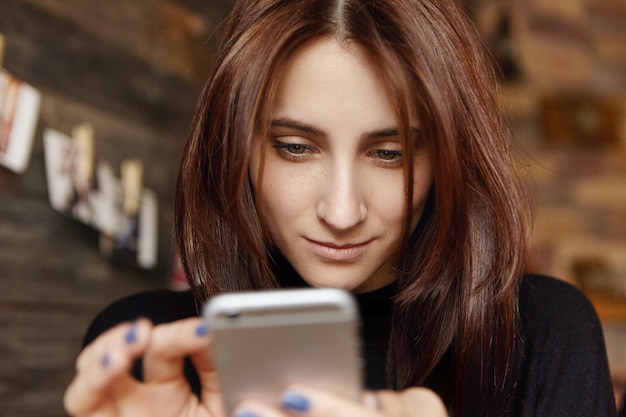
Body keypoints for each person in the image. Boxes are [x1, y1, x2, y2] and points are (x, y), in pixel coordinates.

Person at [63, 0, 617, 416]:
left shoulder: (545, 334)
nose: (342, 210)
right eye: (296, 148)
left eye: (390, 154)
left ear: (446, 159)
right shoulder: (148, 352)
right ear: (236, 147)